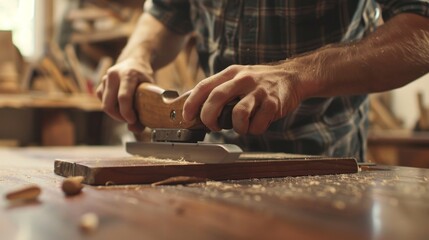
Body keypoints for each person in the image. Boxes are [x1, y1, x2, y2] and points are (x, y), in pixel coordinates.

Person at [96, 0, 429, 162]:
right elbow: (167, 12)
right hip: (211, 166)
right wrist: (136, 56)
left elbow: (422, 30)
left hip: (323, 167)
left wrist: (296, 76)